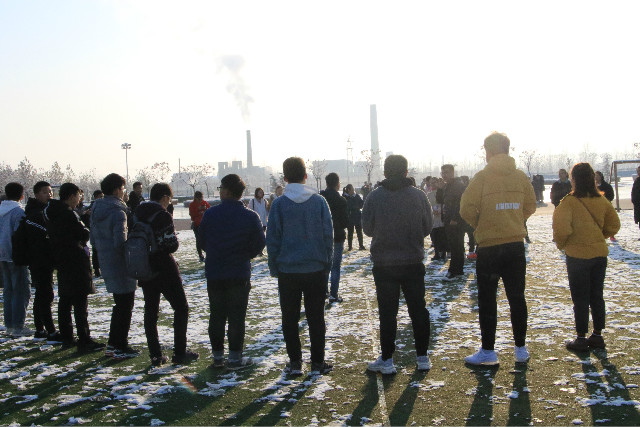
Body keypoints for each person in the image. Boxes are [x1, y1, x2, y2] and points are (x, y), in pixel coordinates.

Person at [460, 132, 536, 366]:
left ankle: (488, 351)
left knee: (487, 299)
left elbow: (466, 209)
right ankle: (520, 348)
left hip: (490, 248)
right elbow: (530, 206)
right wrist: (513, 220)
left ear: (488, 151)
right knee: (517, 297)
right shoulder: (520, 177)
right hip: (515, 246)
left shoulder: (482, 178)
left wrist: (482, 224)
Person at [362, 154, 433, 374]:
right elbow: (427, 226)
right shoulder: (418, 196)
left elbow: (367, 229)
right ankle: (422, 356)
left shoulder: (375, 197)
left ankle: (387, 359)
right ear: (406, 171)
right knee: (418, 310)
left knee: (387, 312)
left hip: (384, 263)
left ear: (384, 172)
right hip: (412, 260)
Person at [266, 157, 334, 375]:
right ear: (306, 176)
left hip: (288, 270)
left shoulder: (279, 203)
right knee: (316, 318)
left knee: (290, 318)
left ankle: (295, 362)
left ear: (285, 178)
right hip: (315, 268)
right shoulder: (318, 201)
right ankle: (317, 362)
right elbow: (327, 236)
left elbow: (273, 238)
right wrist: (327, 264)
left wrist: (274, 266)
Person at [199, 174, 265, 369]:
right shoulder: (250, 216)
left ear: (227, 191)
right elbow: (260, 242)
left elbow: (201, 241)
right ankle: (235, 357)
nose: (219, 191)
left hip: (216, 272)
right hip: (239, 272)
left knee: (217, 315)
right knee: (237, 316)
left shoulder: (211, 214)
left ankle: (218, 357)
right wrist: (245, 254)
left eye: (220, 188)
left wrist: (214, 252)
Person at [553, 163, 620, 352]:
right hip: (599, 254)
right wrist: (599, 237)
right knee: (597, 295)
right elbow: (614, 224)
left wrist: (563, 244)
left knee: (580, 298)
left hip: (577, 256)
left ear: (573, 180)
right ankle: (598, 335)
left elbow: (562, 230)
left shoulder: (569, 202)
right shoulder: (601, 200)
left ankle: (581, 337)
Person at [135, 183, 199, 366]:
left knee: (151, 310)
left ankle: (155, 355)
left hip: (144, 266)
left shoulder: (138, 213)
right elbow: (171, 244)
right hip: (164, 267)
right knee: (181, 308)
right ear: (164, 197)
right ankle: (179, 352)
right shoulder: (162, 215)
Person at [45, 183, 104, 351]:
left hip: (62, 260)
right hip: (75, 261)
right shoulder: (68, 214)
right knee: (80, 303)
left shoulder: (51, 212)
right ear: (71, 196)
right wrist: (84, 224)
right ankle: (84, 339)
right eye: (78, 196)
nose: (79, 199)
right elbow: (83, 234)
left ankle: (67, 337)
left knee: (65, 301)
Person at [90, 173, 139, 358]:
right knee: (125, 305)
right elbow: (121, 242)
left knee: (119, 305)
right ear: (118, 189)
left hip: (105, 260)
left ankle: (113, 343)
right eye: (123, 188)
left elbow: (93, 239)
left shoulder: (96, 209)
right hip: (121, 265)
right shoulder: (119, 212)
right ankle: (120, 344)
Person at [25, 181, 60, 340]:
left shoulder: (41, 210)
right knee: (45, 294)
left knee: (42, 294)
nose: (49, 194)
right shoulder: (35, 213)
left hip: (41, 258)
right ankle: (50, 330)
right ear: (37, 194)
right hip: (39, 259)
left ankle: (40, 329)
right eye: (45, 192)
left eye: (50, 191)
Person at [0, 182, 32, 337]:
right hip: (15, 254)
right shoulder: (18, 212)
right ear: (21, 195)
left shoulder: (1, 209)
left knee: (8, 290)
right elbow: (19, 235)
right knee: (20, 289)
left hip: (2, 254)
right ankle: (18, 325)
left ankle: (9, 324)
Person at [320, 173, 348, 303]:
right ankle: (333, 294)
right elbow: (345, 222)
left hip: (322, 236)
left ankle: (323, 291)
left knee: (324, 266)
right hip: (337, 236)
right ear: (338, 184)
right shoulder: (341, 200)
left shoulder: (320, 198)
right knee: (335, 267)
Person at [441, 164, 466, 280]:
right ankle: (456, 269)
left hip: (455, 221)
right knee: (453, 245)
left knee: (457, 246)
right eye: (443, 173)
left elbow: (461, 203)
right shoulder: (448, 186)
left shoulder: (458, 185)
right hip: (448, 220)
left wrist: (455, 218)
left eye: (446, 172)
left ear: (452, 173)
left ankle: (456, 270)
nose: (444, 175)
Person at [427, 177, 447, 261]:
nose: (433, 184)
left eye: (434, 182)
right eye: (431, 183)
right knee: (434, 236)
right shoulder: (429, 194)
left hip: (442, 217)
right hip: (434, 218)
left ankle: (443, 253)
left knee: (442, 236)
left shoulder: (443, 192)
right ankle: (437, 253)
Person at [189, 191, 210, 262]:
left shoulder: (205, 203)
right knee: (199, 240)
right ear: (195, 198)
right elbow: (192, 216)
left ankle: (208, 254)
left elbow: (209, 211)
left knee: (206, 240)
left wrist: (205, 210)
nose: (200, 200)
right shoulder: (192, 204)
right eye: (199, 198)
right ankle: (200, 255)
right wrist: (198, 210)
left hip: (205, 225)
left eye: (201, 198)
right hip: (197, 225)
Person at [86, 190, 104, 277]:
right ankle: (97, 269)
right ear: (95, 197)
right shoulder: (92, 207)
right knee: (96, 251)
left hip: (102, 232)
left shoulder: (102, 206)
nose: (101, 198)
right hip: (95, 232)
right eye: (100, 196)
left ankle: (100, 268)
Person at [345, 184, 365, 251]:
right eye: (352, 189)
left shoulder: (357, 196)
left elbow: (361, 204)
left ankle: (361, 245)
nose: (353, 190)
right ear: (348, 190)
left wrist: (358, 207)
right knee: (350, 233)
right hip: (349, 217)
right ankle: (350, 246)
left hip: (357, 216)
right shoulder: (345, 197)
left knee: (359, 232)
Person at [632, 166, 640, 231]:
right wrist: (634, 200)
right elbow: (634, 192)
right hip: (638, 205)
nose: (639, 173)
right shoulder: (637, 181)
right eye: (638, 171)